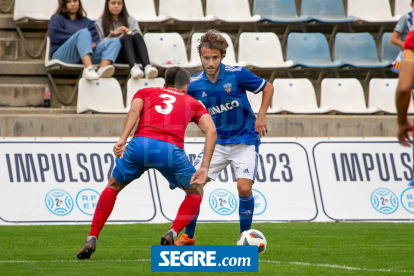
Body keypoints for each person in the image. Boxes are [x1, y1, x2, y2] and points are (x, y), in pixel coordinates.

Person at [76, 67, 217, 259]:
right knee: (195, 192)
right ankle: (173, 232)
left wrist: (122, 139)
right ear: (186, 87)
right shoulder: (192, 102)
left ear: (164, 84)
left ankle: (92, 238)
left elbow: (135, 111)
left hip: (140, 145)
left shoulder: (146, 91)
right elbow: (211, 130)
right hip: (170, 151)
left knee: (113, 186)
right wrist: (204, 167)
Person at [175, 30, 274, 246]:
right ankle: (188, 236)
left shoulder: (237, 74)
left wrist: (261, 116)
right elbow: (186, 110)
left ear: (222, 56)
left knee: (245, 188)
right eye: (206, 58)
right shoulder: (194, 84)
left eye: (215, 58)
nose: (210, 62)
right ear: (200, 57)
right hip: (216, 145)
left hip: (244, 140)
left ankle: (244, 238)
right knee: (194, 186)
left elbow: (268, 88)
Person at [48, 0, 122, 80]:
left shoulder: (88, 22)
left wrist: (89, 43)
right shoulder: (57, 18)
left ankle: (102, 69)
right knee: (84, 33)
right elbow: (55, 35)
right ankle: (88, 69)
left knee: (115, 41)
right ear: (63, 4)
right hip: (63, 54)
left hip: (85, 54)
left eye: (75, 1)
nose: (73, 4)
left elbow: (96, 40)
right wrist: (81, 41)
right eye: (69, 2)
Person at [95, 0, 158, 79]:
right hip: (114, 55)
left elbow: (139, 39)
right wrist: (110, 38)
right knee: (126, 37)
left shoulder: (130, 20)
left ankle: (147, 67)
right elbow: (98, 45)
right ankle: (133, 68)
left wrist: (129, 32)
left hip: (132, 54)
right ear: (107, 4)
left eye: (119, 3)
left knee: (134, 35)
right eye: (113, 3)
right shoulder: (100, 22)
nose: (116, 6)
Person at [391, 0, 414, 73]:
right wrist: (409, 46)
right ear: (411, 5)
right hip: (407, 55)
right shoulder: (405, 18)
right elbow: (393, 39)